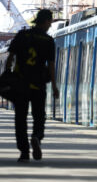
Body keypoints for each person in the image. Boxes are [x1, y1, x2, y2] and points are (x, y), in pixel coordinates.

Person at [5, 9, 59, 162]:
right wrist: (54, 86)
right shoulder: (48, 40)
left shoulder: (22, 35)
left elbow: (10, 58)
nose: (50, 25)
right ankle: (36, 136)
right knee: (39, 116)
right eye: (50, 22)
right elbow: (51, 66)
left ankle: (24, 152)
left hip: (20, 85)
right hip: (38, 85)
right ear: (47, 21)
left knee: (20, 119)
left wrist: (7, 74)